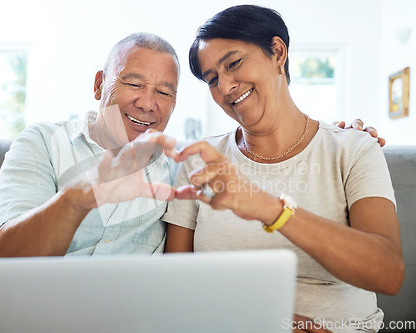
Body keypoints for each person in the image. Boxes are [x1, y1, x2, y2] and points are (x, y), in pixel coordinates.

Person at [0, 29, 382, 332]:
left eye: (165, 92)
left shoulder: (180, 167)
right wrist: (83, 195)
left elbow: (195, 279)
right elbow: (5, 260)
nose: (148, 103)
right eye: (134, 84)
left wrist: (339, 136)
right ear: (101, 85)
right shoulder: (42, 142)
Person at [163, 5, 403, 333]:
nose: (226, 86)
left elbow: (388, 273)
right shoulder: (200, 160)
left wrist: (270, 208)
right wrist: (257, 321)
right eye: (212, 79)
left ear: (277, 52)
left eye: (233, 64)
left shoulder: (353, 149)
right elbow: (174, 285)